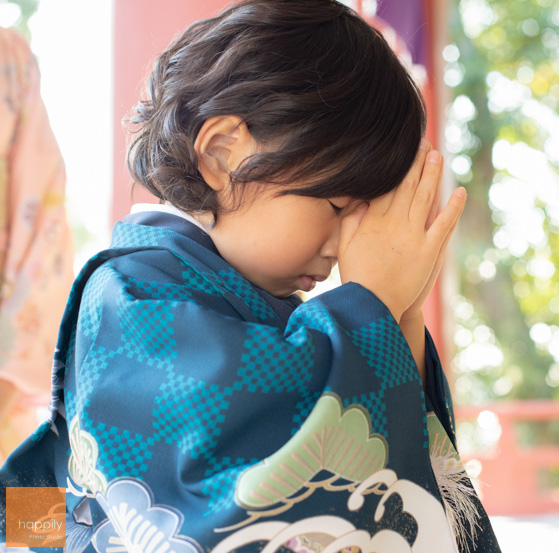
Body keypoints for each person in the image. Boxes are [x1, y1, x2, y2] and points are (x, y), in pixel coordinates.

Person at [0, 1, 502, 552]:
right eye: (337, 208)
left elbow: (403, 469)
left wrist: (396, 320)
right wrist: (370, 305)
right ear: (221, 153)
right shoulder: (130, 297)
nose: (341, 252)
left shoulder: (280, 314)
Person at [0, 27, 74, 460]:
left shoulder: (8, 60)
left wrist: (8, 381)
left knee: (33, 518)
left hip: (6, 385)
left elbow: (45, 213)